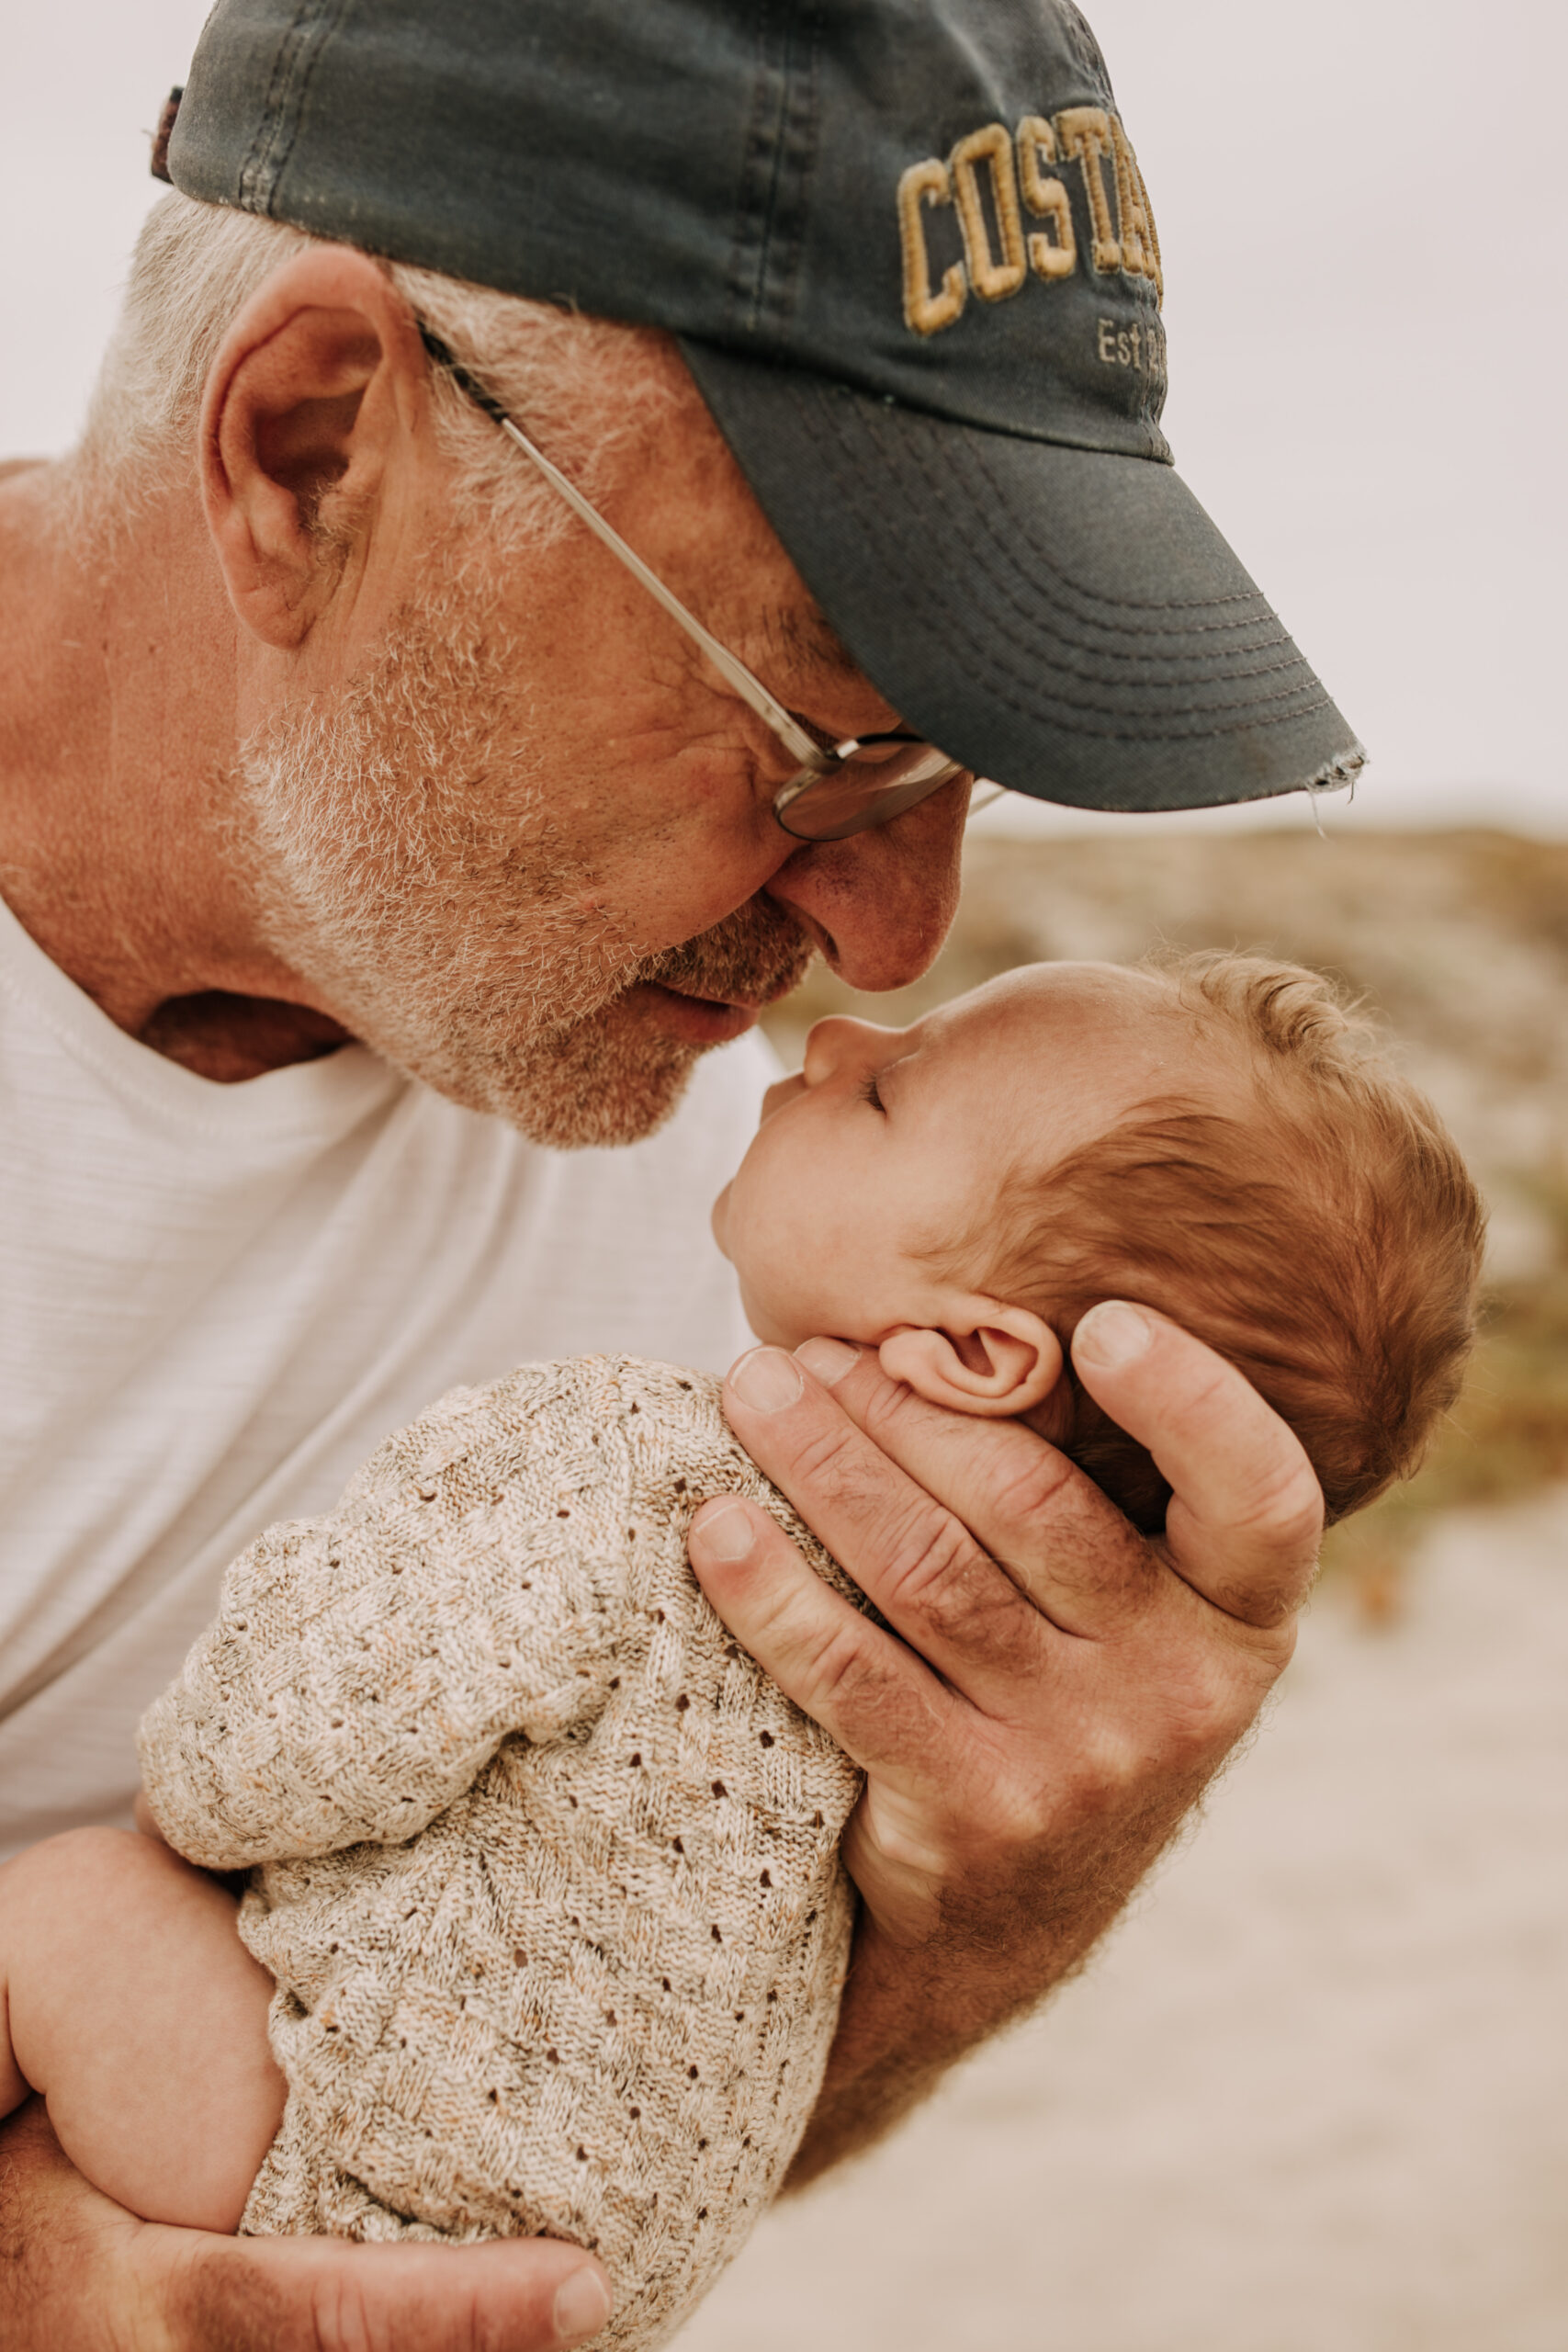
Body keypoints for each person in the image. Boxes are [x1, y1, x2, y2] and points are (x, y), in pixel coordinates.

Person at [0, 1, 1371, 2344]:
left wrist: (959, 1912)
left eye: (968, 765)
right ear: (308, 447)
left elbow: (572, 2120)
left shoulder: (755, 1227)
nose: (892, 939)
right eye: (829, 733)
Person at [0, 954, 1478, 2352]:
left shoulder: (626, 1457)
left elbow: (242, 1767)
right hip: (604, 2284)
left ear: (974, 1353)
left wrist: (191, 1813)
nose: (837, 1033)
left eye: (892, 1090)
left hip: (338, 2186)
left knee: (69, 1909)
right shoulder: (968, 1671)